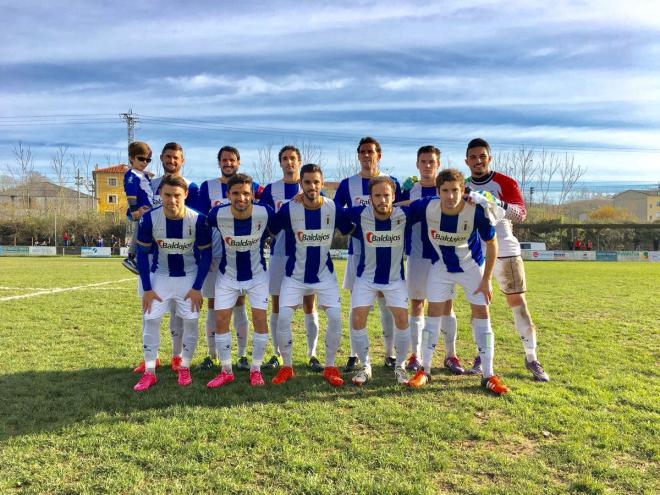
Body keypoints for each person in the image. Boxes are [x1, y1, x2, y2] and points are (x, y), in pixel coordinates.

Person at [407, 168, 510, 394]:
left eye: (455, 190)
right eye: (445, 190)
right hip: (441, 268)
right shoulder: (426, 206)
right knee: (433, 314)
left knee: (482, 314)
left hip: (472, 268)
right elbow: (401, 210)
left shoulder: (476, 211)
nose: (450, 196)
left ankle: (489, 374)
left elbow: (492, 245)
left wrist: (486, 280)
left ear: (463, 190)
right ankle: (424, 370)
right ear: (438, 191)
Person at [463, 138, 549, 381]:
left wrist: (494, 202)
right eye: (473, 157)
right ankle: (482, 356)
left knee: (517, 302)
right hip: (476, 252)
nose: (478, 161)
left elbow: (520, 214)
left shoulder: (505, 182)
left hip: (505, 249)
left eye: (482, 156)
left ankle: (531, 357)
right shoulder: (463, 184)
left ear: (489, 158)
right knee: (479, 308)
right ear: (467, 160)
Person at [271, 164, 354, 387]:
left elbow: (350, 227)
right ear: (301, 184)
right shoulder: (290, 208)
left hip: (324, 274)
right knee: (284, 318)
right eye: (307, 182)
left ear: (322, 183)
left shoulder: (332, 207)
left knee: (336, 317)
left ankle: (329, 366)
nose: (312, 186)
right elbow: (270, 226)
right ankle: (287, 367)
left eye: (316, 182)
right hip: (294, 275)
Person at [133, 174, 212, 391]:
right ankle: (150, 372)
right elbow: (142, 255)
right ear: (160, 194)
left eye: (177, 195)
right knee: (151, 321)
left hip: (189, 277)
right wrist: (147, 289)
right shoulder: (149, 219)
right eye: (167, 195)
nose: (172, 200)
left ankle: (184, 367)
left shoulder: (198, 219)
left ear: (185, 195)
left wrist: (197, 287)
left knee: (190, 322)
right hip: (161, 276)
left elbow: (206, 256)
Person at [333, 137, 402, 372]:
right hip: (357, 253)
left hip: (387, 251)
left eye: (370, 152)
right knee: (358, 306)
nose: (366, 155)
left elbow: (400, 210)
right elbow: (335, 211)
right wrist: (351, 231)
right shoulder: (347, 184)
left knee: (386, 304)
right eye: (362, 152)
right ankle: (354, 354)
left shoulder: (391, 182)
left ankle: (390, 353)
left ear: (378, 155)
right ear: (358, 155)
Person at [132, 142, 200, 375]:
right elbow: (133, 211)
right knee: (149, 309)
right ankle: (150, 359)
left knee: (181, 312)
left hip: (185, 262)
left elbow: (199, 221)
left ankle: (177, 356)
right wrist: (134, 212)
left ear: (183, 161)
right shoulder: (149, 183)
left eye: (176, 158)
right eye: (168, 157)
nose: (172, 161)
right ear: (161, 158)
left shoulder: (194, 187)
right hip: (154, 261)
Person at [195, 146, 264, 371]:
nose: (228, 163)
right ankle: (212, 354)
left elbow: (266, 204)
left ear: (238, 162)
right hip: (215, 254)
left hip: (242, 255)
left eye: (232, 160)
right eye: (224, 160)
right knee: (214, 304)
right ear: (219, 163)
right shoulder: (208, 186)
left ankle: (243, 355)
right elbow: (200, 219)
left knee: (240, 303)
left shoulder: (252, 186)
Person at [205, 174, 276, 388]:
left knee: (260, 320)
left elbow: (283, 224)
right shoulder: (217, 214)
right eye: (236, 193)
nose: (241, 198)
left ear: (252, 195)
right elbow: (202, 231)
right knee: (221, 321)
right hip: (227, 276)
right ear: (228, 195)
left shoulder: (265, 213)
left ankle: (256, 369)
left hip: (257, 277)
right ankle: (226, 370)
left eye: (246, 193)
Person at [399, 145, 464, 374]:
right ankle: (415, 354)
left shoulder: (446, 190)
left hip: (442, 258)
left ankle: (451, 355)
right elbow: (391, 208)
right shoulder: (408, 191)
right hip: (416, 256)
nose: (427, 166)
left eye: (432, 162)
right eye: (423, 161)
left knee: (446, 305)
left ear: (438, 164)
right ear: (417, 164)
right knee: (417, 304)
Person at [259, 146, 321, 372]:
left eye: (293, 158)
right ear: (280, 163)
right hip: (278, 253)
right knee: (276, 305)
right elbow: (266, 218)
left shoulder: (311, 186)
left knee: (308, 304)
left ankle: (312, 354)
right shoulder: (271, 190)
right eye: (284, 159)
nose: (289, 162)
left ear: (299, 161)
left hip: (305, 256)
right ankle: (276, 354)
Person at [347, 176, 411, 386]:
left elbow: (428, 202)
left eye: (387, 195)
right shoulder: (359, 214)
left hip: (395, 280)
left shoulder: (404, 214)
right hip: (366, 278)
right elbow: (331, 210)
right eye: (377, 195)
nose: (382, 199)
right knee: (357, 318)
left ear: (394, 197)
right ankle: (365, 366)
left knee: (402, 319)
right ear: (370, 198)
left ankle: (400, 366)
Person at [122, 141, 153, 274]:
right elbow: (131, 194)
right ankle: (131, 257)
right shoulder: (131, 175)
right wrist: (135, 211)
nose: (144, 162)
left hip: (149, 209)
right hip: (141, 210)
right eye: (141, 158)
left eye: (148, 159)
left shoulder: (143, 175)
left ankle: (141, 257)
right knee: (140, 229)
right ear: (131, 158)